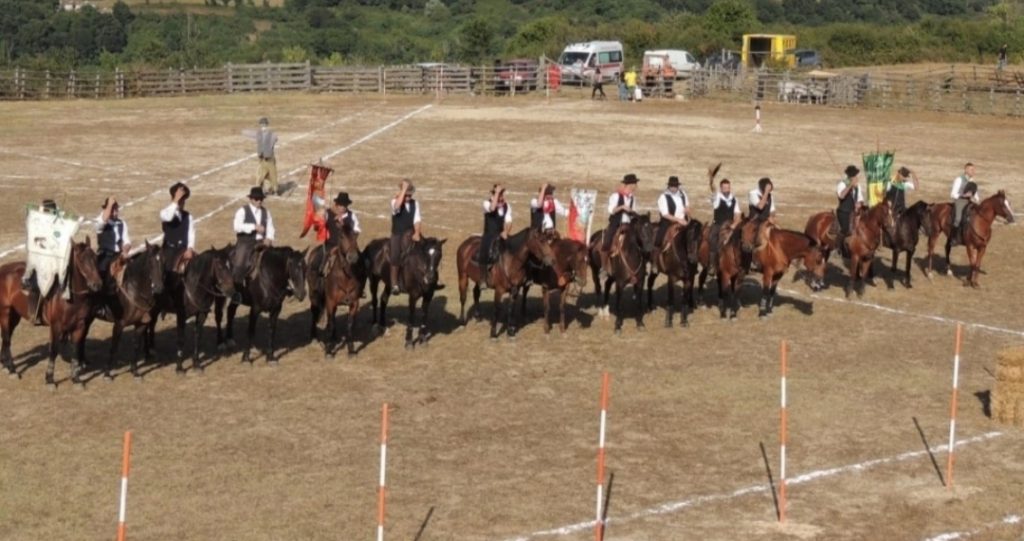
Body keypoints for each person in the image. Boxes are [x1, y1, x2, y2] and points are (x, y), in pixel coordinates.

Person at [231, 186, 275, 286]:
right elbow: (237, 227)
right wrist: (253, 227)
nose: (259, 201)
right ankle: (237, 289)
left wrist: (269, 238)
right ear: (251, 199)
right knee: (240, 263)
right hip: (246, 243)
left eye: (261, 199)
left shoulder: (266, 212)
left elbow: (270, 227)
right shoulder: (242, 211)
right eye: (256, 199)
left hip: (262, 242)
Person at [599, 173, 639, 280]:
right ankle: (603, 268)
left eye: (635, 184)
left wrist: (632, 213)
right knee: (607, 241)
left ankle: (639, 267)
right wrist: (622, 207)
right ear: (628, 185)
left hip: (628, 225)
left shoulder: (633, 198)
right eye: (634, 184)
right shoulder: (616, 196)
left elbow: (633, 211)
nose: (635, 186)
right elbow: (611, 210)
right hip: (616, 224)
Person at [389, 179, 422, 295]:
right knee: (395, 255)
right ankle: (394, 283)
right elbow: (397, 207)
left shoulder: (415, 203)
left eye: (409, 195)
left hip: (411, 232)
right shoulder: (394, 201)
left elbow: (417, 219)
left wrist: (417, 232)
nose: (408, 197)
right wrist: (403, 190)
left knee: (425, 250)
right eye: (406, 194)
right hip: (398, 233)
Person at [478, 184, 513, 288]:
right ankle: (483, 278)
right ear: (493, 194)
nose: (501, 196)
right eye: (499, 194)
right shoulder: (486, 203)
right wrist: (497, 193)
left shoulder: (506, 206)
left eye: (502, 194)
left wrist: (506, 232)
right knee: (485, 249)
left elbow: (509, 221)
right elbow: (492, 208)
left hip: (501, 234)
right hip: (489, 234)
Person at [708, 178, 742, 277]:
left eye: (728, 187)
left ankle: (746, 263)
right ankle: (711, 265)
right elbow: (713, 191)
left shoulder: (734, 199)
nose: (727, 189)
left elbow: (737, 213)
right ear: (721, 188)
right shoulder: (717, 197)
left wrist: (734, 224)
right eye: (724, 188)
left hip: (731, 225)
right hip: (718, 224)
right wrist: (711, 183)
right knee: (712, 239)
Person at [159, 182, 195, 273]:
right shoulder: (164, 212)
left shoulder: (188, 216)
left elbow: (191, 233)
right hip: (169, 250)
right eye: (180, 200)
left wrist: (190, 249)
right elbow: (169, 217)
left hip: (184, 250)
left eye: (183, 200)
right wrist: (175, 200)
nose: (182, 203)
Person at [95, 196, 132, 286]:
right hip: (105, 256)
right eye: (112, 210)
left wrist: (125, 250)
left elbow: (127, 241)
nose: (115, 213)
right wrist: (109, 205)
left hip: (118, 256)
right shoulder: (99, 221)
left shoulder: (121, 223)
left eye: (116, 210)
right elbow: (103, 220)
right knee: (101, 276)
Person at [654, 176, 689, 250]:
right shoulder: (663, 197)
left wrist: (687, 210)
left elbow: (687, 206)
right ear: (669, 186)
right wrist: (678, 220)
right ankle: (658, 253)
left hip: (683, 221)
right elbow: (665, 214)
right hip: (669, 222)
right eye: (672, 186)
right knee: (659, 238)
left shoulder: (683, 194)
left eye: (675, 186)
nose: (673, 188)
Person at [836, 165, 865, 239]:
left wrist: (859, 203)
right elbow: (841, 196)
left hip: (854, 211)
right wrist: (850, 186)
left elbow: (860, 198)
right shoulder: (842, 184)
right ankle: (838, 247)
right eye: (855, 176)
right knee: (845, 229)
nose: (856, 178)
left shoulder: (857, 186)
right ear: (850, 177)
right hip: (844, 211)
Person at [254, 117, 279, 196]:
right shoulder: (259, 134)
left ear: (267, 125)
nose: (263, 126)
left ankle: (274, 190)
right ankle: (260, 190)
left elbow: (273, 140)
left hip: (269, 159)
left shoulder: (271, 134)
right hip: (262, 160)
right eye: (262, 124)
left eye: (264, 124)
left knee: (272, 176)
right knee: (260, 176)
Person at [952, 181, 978, 246]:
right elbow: (953, 194)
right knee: (958, 219)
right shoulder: (959, 181)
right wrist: (963, 195)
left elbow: (975, 195)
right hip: (961, 200)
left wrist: (975, 198)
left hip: (969, 201)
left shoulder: (973, 182)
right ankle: (954, 238)